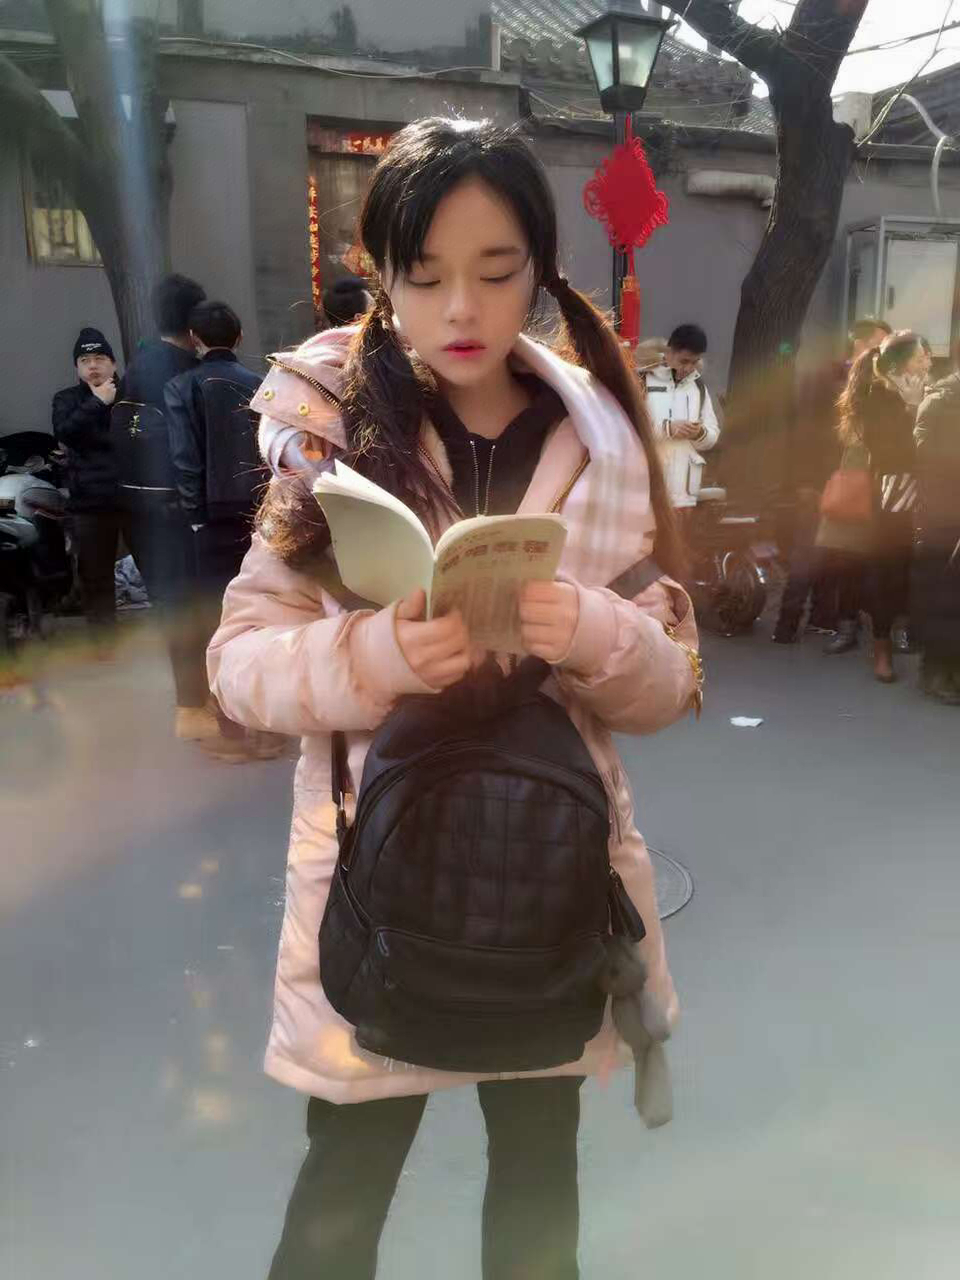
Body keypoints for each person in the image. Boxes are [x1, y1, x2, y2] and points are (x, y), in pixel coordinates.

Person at [207, 118, 701, 1279]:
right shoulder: (329, 434)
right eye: (425, 276)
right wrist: (377, 652)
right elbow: (241, 663)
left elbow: (671, 679)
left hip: (548, 887)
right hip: (379, 893)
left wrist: (591, 629)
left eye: (497, 270)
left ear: (541, 270)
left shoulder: (600, 437)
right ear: (381, 271)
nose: (463, 309)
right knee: (339, 1203)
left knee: (535, 1194)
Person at [164, 300, 280, 760]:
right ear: (240, 337)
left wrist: (194, 514)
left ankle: (232, 733)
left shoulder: (182, 387)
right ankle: (269, 728)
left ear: (194, 339)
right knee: (263, 617)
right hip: (259, 518)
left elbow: (185, 458)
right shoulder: (261, 384)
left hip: (209, 521)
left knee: (219, 623)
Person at [113, 273, 209, 739]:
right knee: (199, 607)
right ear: (193, 324)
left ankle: (191, 707)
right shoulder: (187, 373)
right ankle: (200, 709)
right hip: (179, 509)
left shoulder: (137, 365)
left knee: (172, 605)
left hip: (136, 505)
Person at [774, 317, 891, 647]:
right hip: (819, 479)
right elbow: (802, 431)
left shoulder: (876, 383)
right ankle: (786, 625)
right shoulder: (825, 377)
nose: (883, 351)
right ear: (860, 342)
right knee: (808, 552)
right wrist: (803, 480)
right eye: (880, 344)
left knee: (838, 552)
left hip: (854, 482)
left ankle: (823, 619)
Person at [822, 331, 926, 683]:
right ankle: (881, 649)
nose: (927, 363)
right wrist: (912, 408)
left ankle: (903, 633)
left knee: (912, 571)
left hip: (928, 493)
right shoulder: (878, 396)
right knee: (888, 571)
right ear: (901, 363)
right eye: (921, 357)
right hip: (892, 495)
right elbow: (890, 452)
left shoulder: (928, 391)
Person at [51, 328, 122, 644]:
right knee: (95, 575)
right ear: (76, 367)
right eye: (84, 360)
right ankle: (105, 644)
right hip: (89, 501)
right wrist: (96, 403)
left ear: (113, 364)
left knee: (156, 569)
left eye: (99, 358)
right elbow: (64, 432)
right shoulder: (66, 399)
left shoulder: (130, 393)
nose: (92, 366)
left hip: (132, 495)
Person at [913, 347, 960, 703]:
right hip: (944, 516)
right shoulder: (940, 400)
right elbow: (924, 455)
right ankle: (935, 672)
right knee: (945, 597)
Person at [642, 323, 720, 514]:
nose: (689, 368)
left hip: (684, 498)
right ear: (669, 352)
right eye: (684, 361)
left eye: (694, 362)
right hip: (646, 494)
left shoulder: (698, 387)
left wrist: (699, 433)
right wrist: (668, 429)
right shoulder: (643, 380)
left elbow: (713, 434)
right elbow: (628, 429)